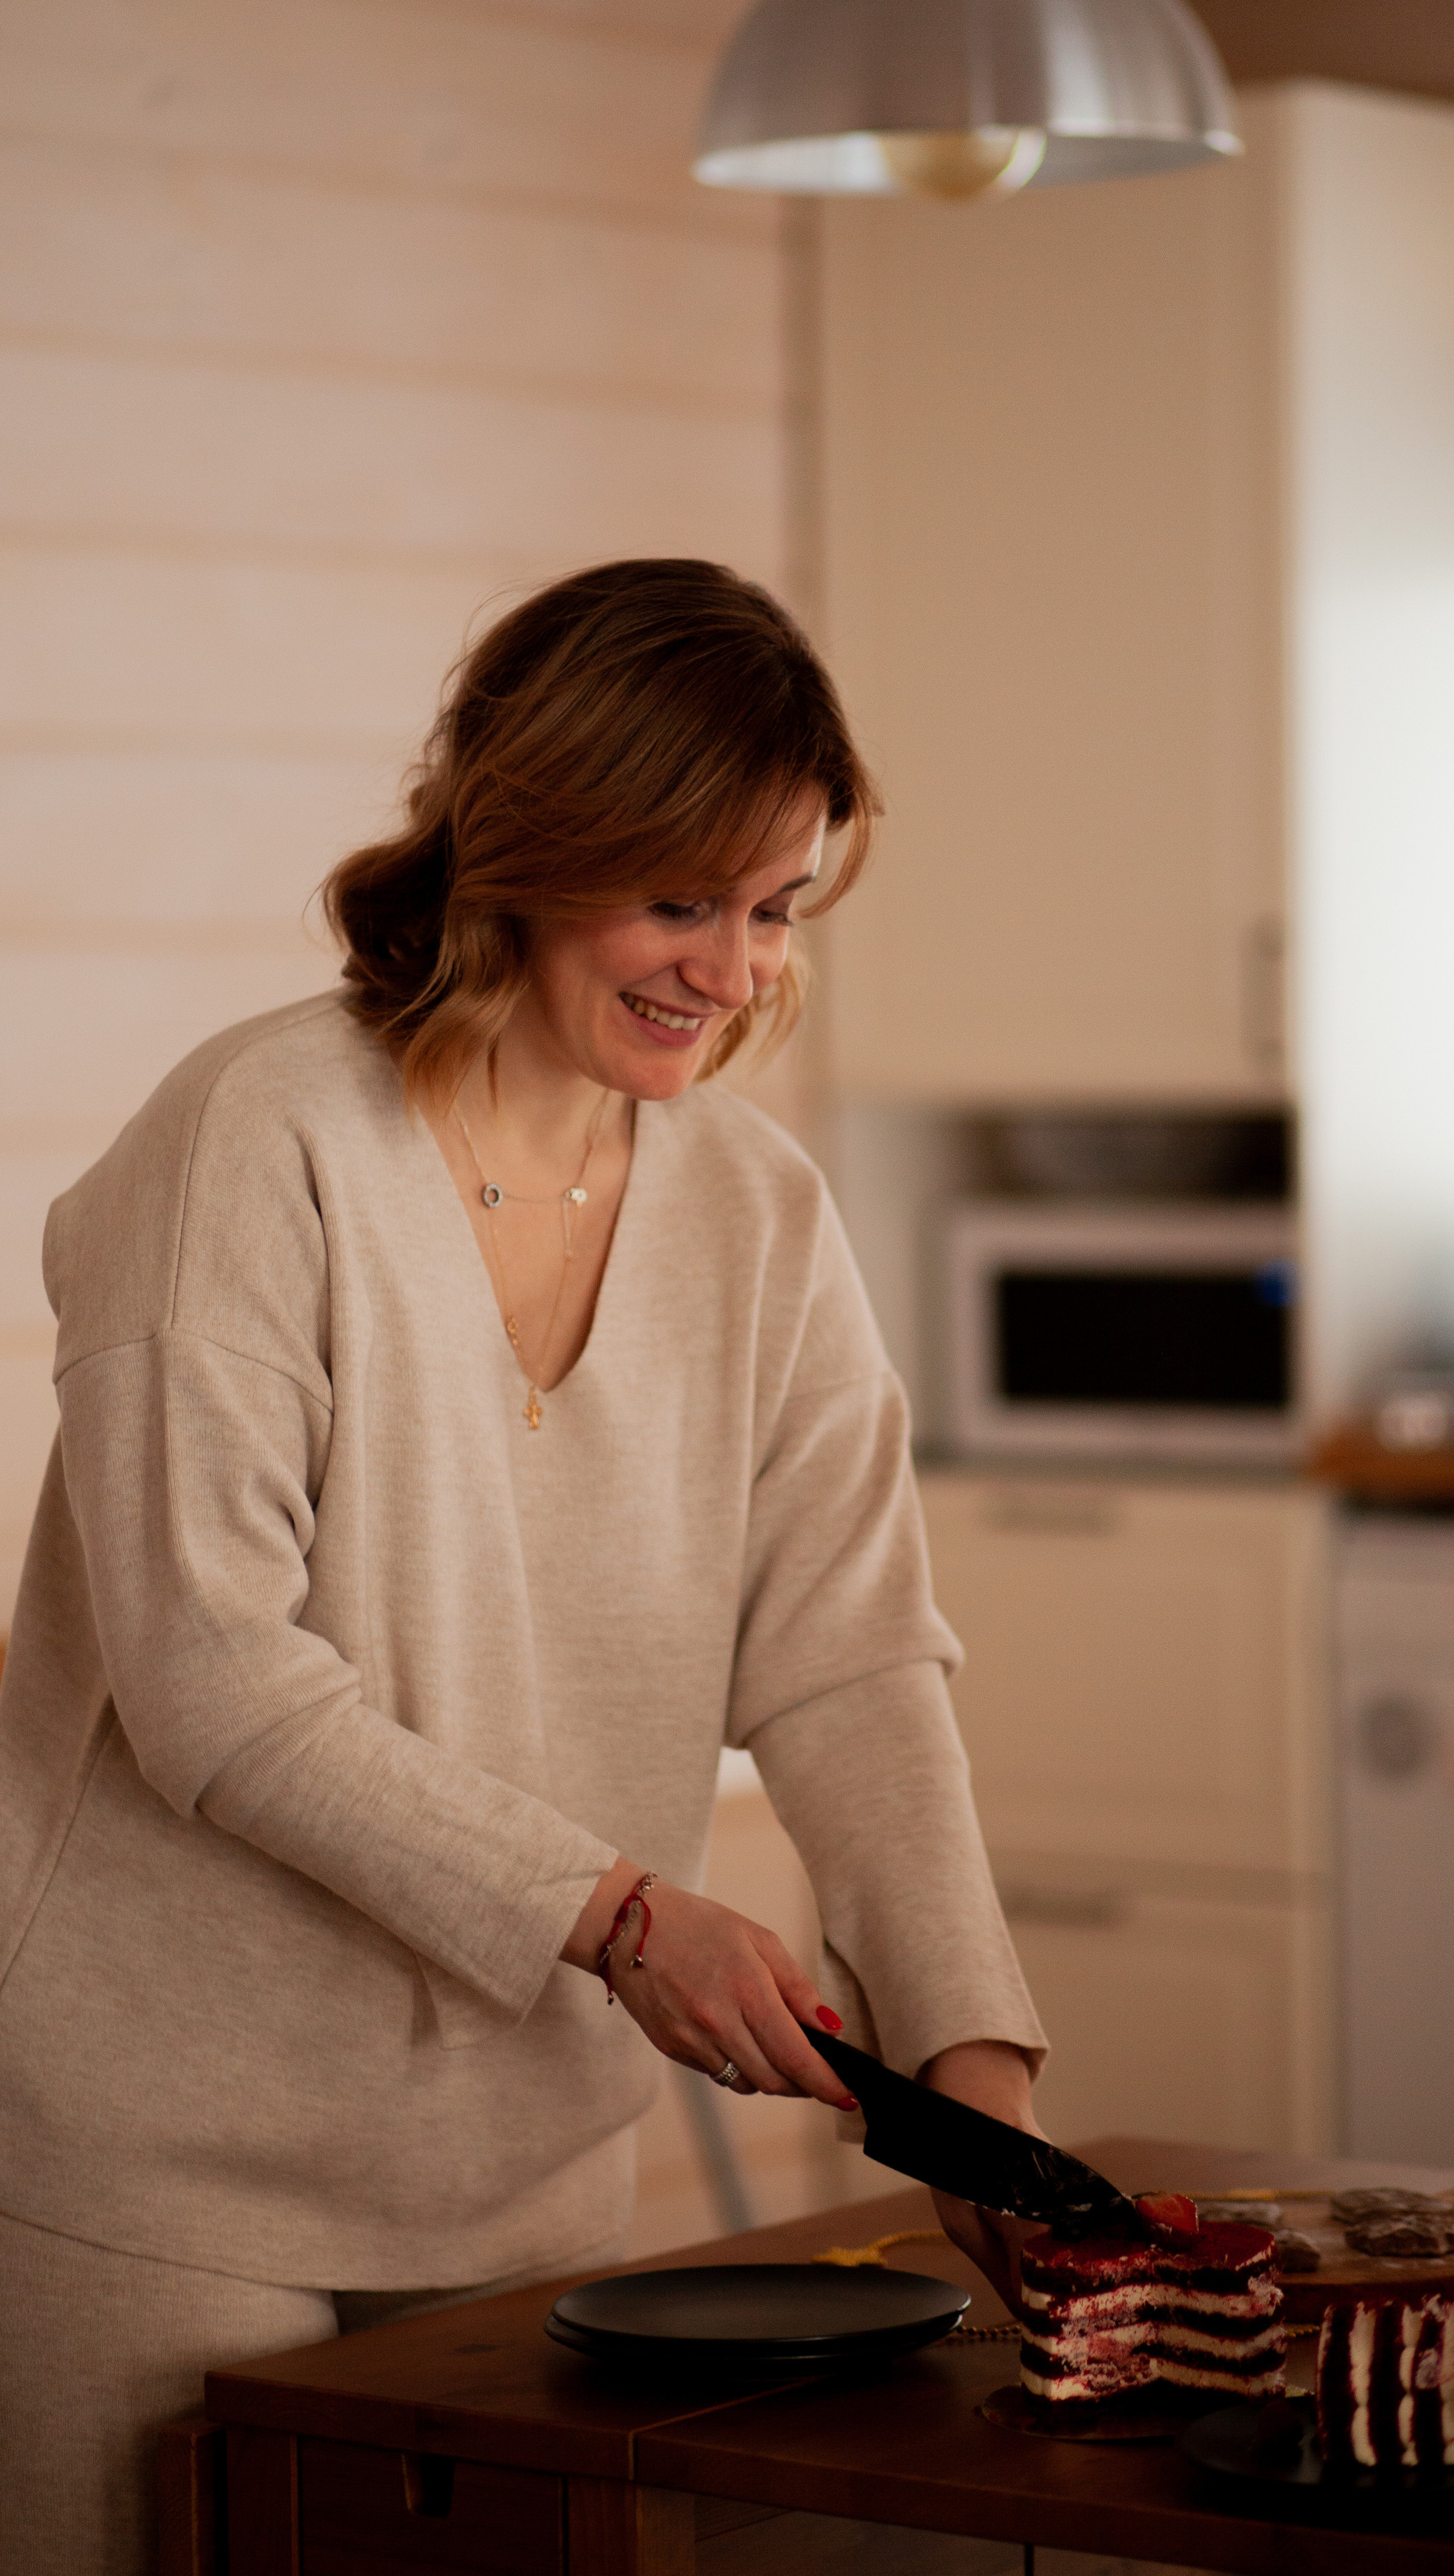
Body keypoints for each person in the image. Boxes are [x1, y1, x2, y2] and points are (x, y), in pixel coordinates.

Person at [0, 559, 1046, 2575]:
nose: (730, 972)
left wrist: (967, 2066)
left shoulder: (754, 1205)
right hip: (157, 2154)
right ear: (527, 845)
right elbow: (213, 1670)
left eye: (774, 910)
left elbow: (851, 1665)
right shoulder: (254, 1140)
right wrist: (624, 1917)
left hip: (530, 2164)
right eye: (680, 901)